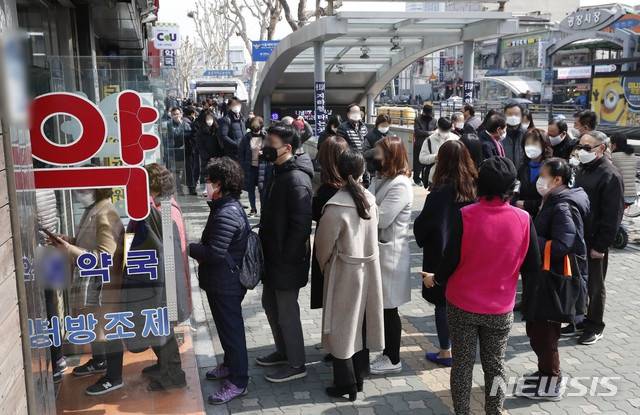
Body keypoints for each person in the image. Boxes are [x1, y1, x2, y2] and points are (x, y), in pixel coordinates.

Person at [422, 157, 540, 415]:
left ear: (480, 184)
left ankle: (462, 412)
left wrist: (435, 279)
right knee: (495, 365)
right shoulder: (523, 218)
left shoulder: (465, 215)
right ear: (512, 188)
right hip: (500, 308)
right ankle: (494, 411)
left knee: (463, 364)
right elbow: (532, 267)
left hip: (462, 304)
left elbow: (449, 259)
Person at [314, 149, 385, 401]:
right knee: (363, 324)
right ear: (362, 171)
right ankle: (360, 378)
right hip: (370, 269)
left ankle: (346, 384)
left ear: (338, 172)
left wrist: (326, 266)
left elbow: (322, 247)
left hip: (344, 270)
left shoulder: (335, 206)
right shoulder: (370, 199)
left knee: (343, 327)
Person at [521, 158, 590, 401]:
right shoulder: (555, 200)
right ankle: (545, 373)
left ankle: (552, 381)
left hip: (553, 280)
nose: (539, 180)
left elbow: (562, 244)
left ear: (557, 180)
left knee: (545, 332)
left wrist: (530, 239)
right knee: (539, 329)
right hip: (546, 277)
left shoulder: (562, 206)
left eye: (543, 175)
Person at [51, 188, 125, 396]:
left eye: (82, 188)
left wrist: (69, 249)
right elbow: (88, 242)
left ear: (97, 189)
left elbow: (105, 257)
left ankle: (114, 376)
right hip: (93, 282)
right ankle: (99, 360)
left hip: (103, 283)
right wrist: (69, 241)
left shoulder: (105, 213)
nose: (77, 193)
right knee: (96, 324)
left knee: (108, 328)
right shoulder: (94, 209)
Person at [189, 157, 250, 404]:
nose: (206, 186)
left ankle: (238, 381)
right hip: (221, 280)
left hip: (227, 283)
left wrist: (187, 247)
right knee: (226, 329)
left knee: (232, 331)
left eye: (209, 181)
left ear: (221, 184)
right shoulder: (224, 206)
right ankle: (229, 365)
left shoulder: (226, 212)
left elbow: (214, 253)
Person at [257, 123, 314, 382]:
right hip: (273, 254)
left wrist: (286, 257)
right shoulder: (277, 171)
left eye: (271, 144)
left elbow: (301, 226)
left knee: (287, 311)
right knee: (269, 303)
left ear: (287, 148)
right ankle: (283, 351)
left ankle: (296, 363)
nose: (265, 148)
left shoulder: (296, 179)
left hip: (287, 259)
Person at [413, 140, 477, 367]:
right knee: (465, 303)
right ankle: (466, 349)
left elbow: (423, 226)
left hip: (440, 255)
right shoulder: (474, 187)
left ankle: (445, 351)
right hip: (470, 253)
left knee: (443, 304)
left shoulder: (439, 192)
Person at [141, 164, 190, 392]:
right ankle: (163, 366)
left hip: (168, 281)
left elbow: (168, 254)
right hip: (167, 278)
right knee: (160, 327)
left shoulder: (166, 210)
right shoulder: (163, 205)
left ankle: (172, 374)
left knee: (164, 329)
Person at [572, 131, 624, 344]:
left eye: (587, 147)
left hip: (595, 240)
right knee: (579, 281)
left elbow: (613, 215)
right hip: (579, 236)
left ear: (601, 148)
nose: (582, 151)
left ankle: (595, 325)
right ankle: (580, 318)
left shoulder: (610, 174)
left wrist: (601, 245)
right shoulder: (583, 169)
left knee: (595, 285)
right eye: (580, 146)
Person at [368, 136, 413, 374]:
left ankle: (393, 358)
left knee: (390, 308)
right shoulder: (383, 179)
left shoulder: (400, 184)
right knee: (383, 306)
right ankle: (385, 353)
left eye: (379, 154)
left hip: (390, 255)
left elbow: (382, 218)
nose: (375, 158)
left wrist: (364, 204)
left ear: (391, 156)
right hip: (380, 253)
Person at [311, 135, 349, 311]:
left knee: (333, 306)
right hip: (350, 254)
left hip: (332, 257)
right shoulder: (353, 186)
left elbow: (324, 240)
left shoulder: (326, 189)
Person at [513, 129, 552, 219]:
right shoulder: (522, 167)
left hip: (542, 217)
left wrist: (528, 205)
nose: (530, 148)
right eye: (527, 144)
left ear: (544, 145)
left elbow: (553, 198)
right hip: (522, 216)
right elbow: (516, 189)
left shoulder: (551, 168)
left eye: (534, 144)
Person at [239, 116, 267, 216]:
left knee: (262, 190)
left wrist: (264, 153)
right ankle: (253, 209)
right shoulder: (246, 137)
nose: (255, 129)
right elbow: (241, 152)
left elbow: (271, 150)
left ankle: (263, 210)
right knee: (250, 189)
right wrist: (243, 165)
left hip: (262, 167)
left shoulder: (265, 137)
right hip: (250, 167)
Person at [419, 117, 459, 187]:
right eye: (443, 130)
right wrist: (435, 157)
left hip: (453, 178)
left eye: (446, 130)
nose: (444, 133)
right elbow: (422, 158)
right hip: (435, 179)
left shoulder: (456, 139)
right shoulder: (429, 140)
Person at [166, 107, 193, 195]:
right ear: (171, 115)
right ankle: (179, 189)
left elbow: (190, 134)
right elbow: (175, 134)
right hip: (174, 151)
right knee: (176, 171)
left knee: (185, 171)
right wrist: (181, 126)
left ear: (181, 114)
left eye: (178, 114)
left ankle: (186, 186)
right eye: (174, 114)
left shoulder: (186, 123)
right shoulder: (169, 124)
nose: (176, 116)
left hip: (184, 151)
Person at [413, 103, 437, 186]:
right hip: (419, 143)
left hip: (430, 144)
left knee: (427, 162)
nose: (429, 115)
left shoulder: (434, 120)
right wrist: (429, 133)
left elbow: (436, 130)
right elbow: (417, 131)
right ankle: (416, 178)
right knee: (417, 162)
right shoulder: (418, 119)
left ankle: (424, 179)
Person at [610, 134, 637, 206]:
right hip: (632, 195)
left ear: (614, 144)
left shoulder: (613, 156)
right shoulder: (632, 155)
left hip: (619, 195)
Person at [196, 110, 221, 186]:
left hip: (217, 155)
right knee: (206, 173)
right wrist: (205, 156)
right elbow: (200, 145)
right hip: (206, 157)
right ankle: (206, 188)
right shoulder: (200, 131)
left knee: (217, 172)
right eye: (207, 119)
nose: (209, 121)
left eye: (211, 119)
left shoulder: (217, 129)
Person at [503, 102, 526, 168]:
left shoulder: (527, 134)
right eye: (509, 114)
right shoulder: (499, 135)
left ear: (521, 116)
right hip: (504, 173)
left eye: (516, 114)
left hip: (522, 174)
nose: (513, 117)